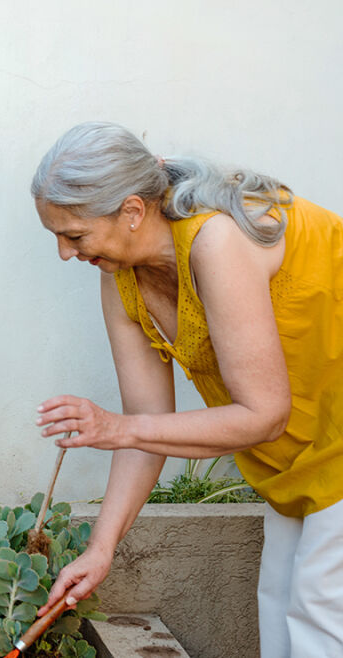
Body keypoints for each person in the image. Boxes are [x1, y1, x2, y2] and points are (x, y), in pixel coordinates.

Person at [29, 121, 343, 657]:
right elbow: (144, 425)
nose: (64, 253)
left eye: (74, 235)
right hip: (302, 457)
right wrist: (100, 550)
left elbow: (263, 413)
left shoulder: (217, 239)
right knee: (281, 607)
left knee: (318, 614)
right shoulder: (119, 275)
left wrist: (116, 428)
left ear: (132, 211)